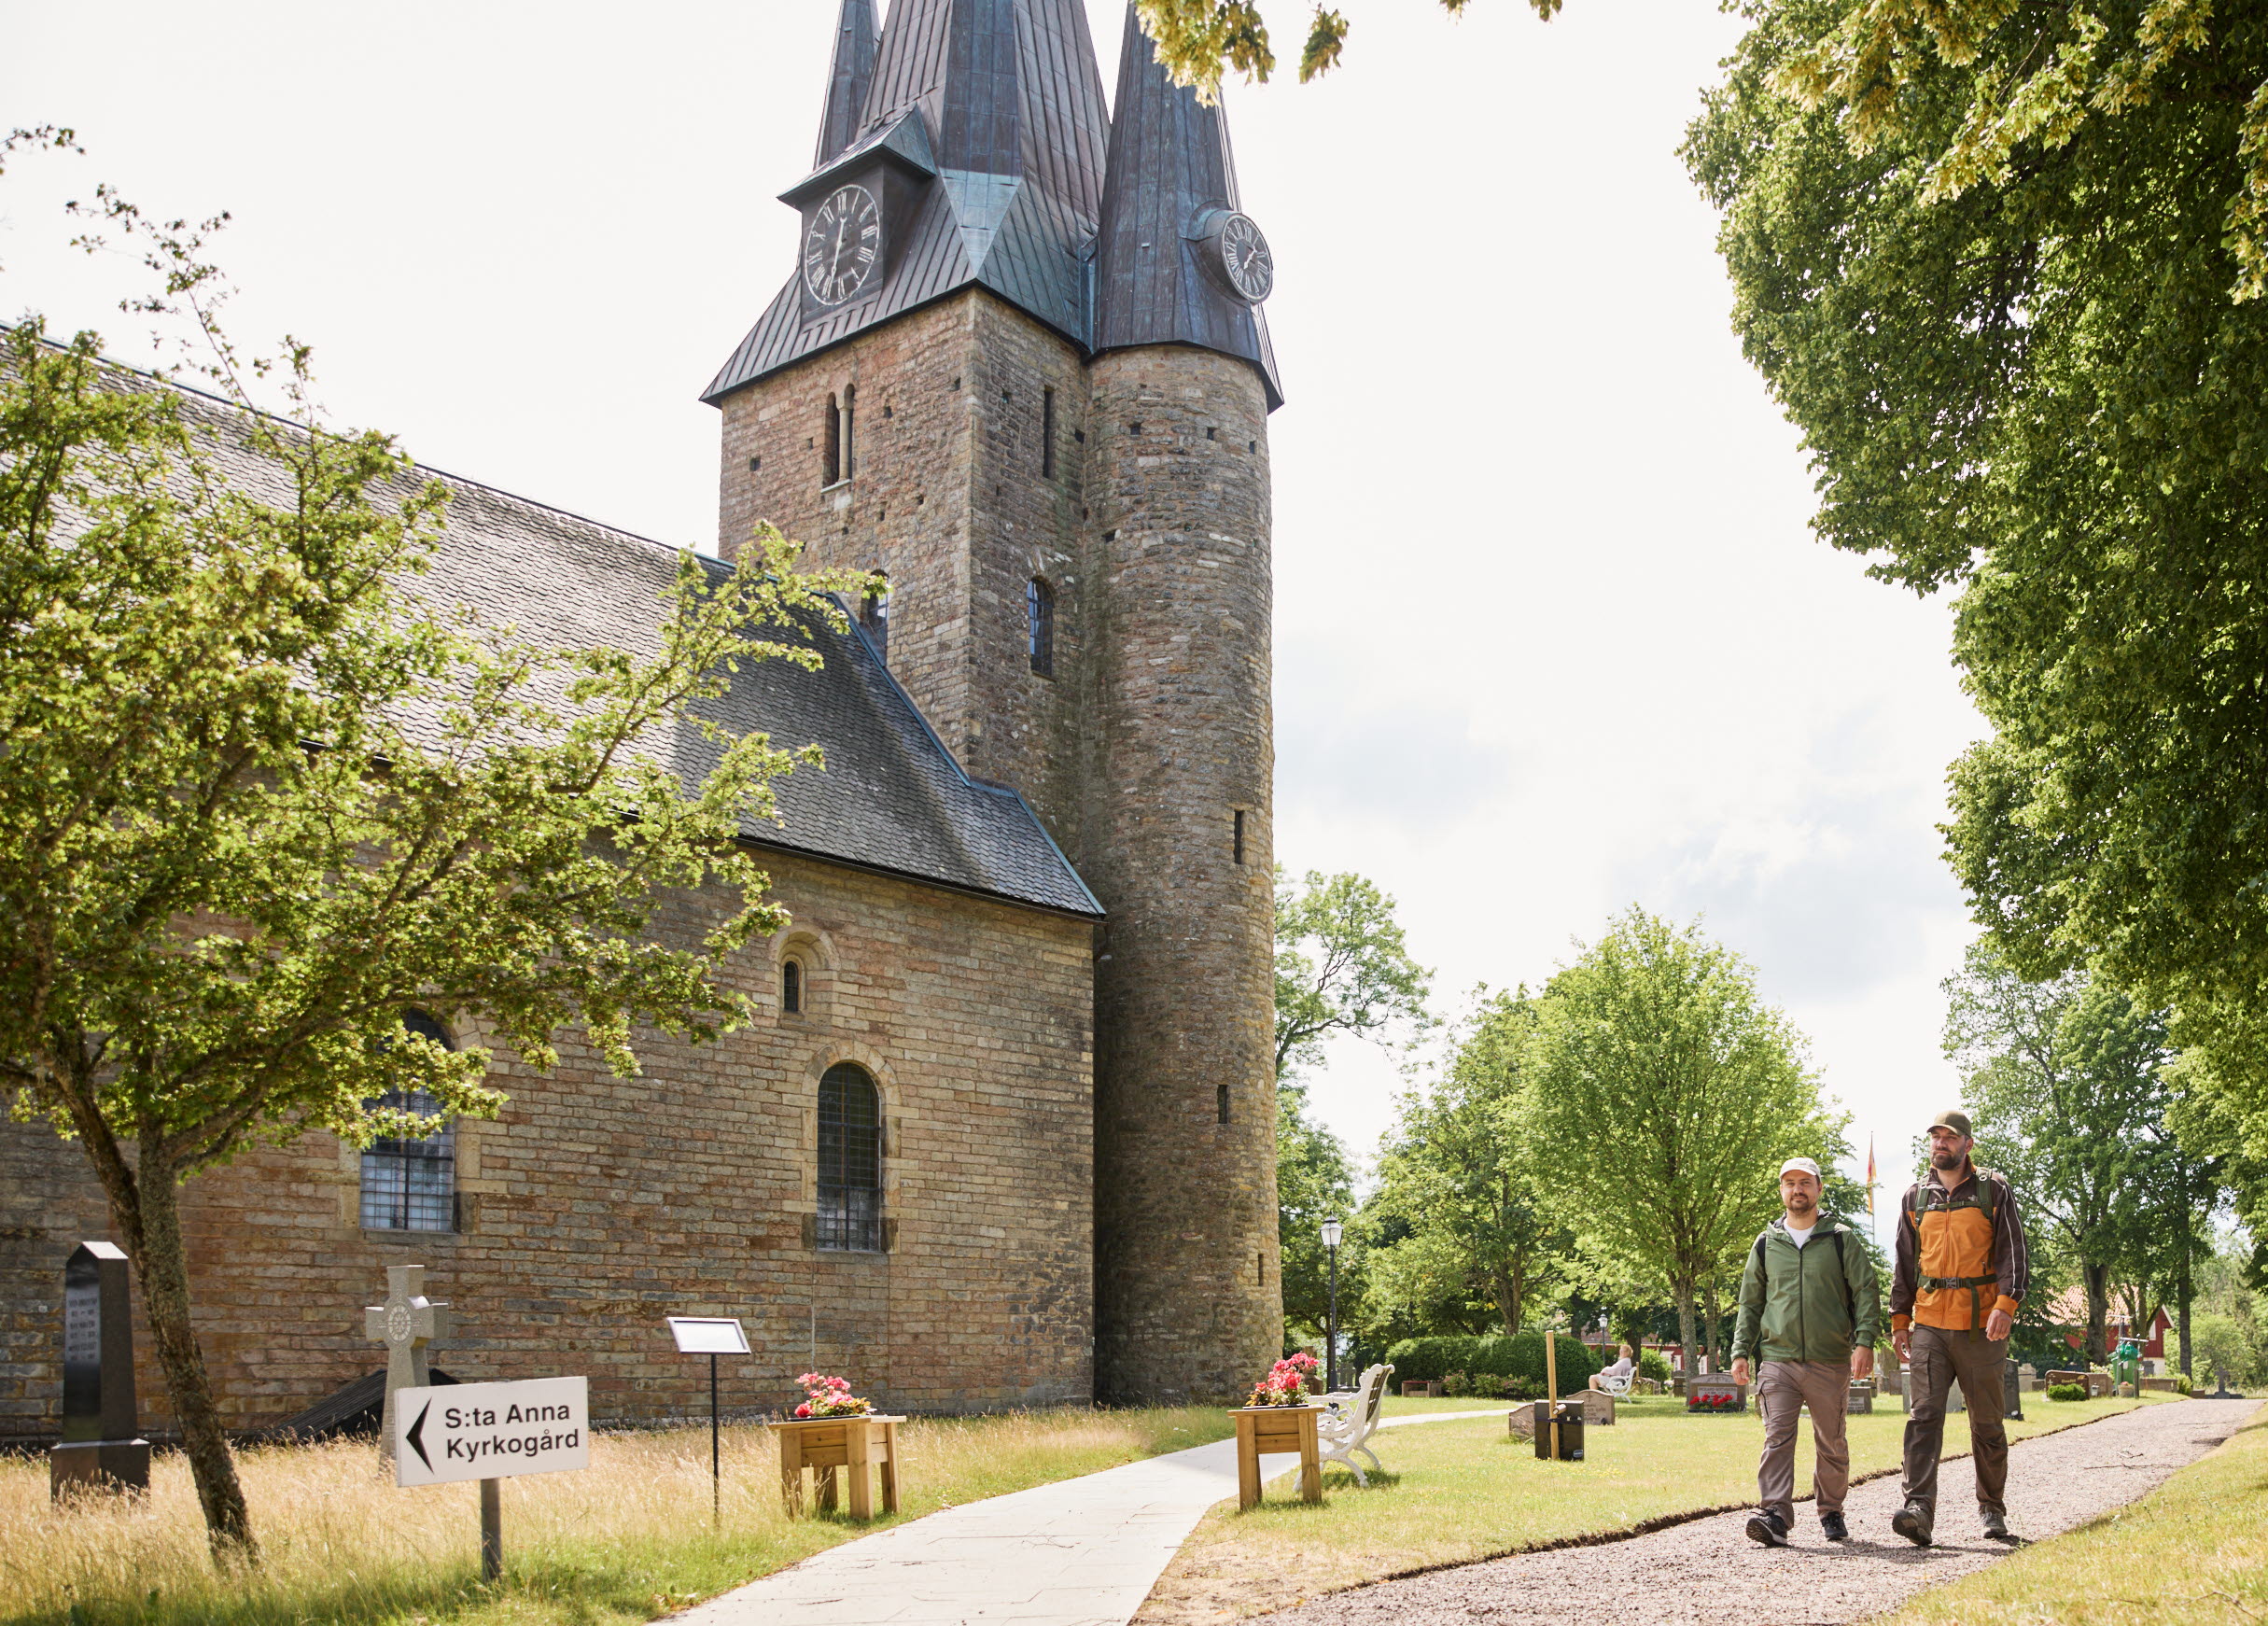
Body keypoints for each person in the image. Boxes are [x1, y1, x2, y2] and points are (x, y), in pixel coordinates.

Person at [1890, 1110, 2030, 1546]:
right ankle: (1918, 1510)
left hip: (1980, 1326)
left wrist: (2006, 1305)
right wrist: (1899, 1320)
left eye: (1949, 1138)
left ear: (1968, 1144)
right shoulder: (1915, 1197)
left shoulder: (1994, 1190)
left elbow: (2014, 1253)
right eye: (1935, 1137)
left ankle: (1992, 1509)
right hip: (1929, 1323)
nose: (1940, 1144)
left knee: (1987, 1423)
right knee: (1924, 1418)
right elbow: (1904, 1264)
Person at [1732, 1156, 1881, 1547]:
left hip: (1829, 1358)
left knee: (1830, 1440)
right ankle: (1775, 1515)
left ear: (1818, 1188)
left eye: (1805, 1182)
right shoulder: (1766, 1243)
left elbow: (1866, 1291)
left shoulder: (1840, 1238)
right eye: (1789, 1183)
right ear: (1781, 1190)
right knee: (1777, 1436)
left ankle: (1831, 1511)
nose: (1797, 1189)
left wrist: (1864, 1342)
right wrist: (1741, 1350)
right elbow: (1750, 1302)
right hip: (1777, 1359)